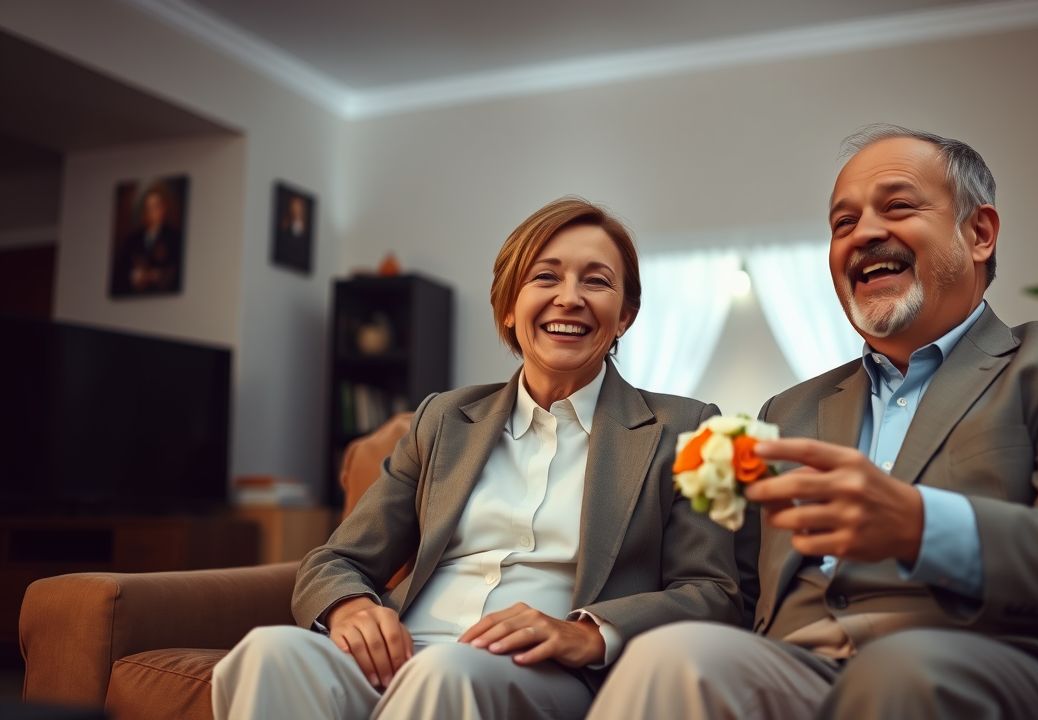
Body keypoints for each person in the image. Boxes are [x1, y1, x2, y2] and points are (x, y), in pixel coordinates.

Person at [587, 125, 1038, 718]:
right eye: (843, 223)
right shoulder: (790, 412)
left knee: (898, 672)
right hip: (802, 669)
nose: (865, 234)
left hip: (1008, 661)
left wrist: (917, 525)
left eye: (898, 206)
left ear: (980, 232)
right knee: (672, 658)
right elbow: (736, 592)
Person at [212, 197, 741, 719]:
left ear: (624, 316)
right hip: (399, 658)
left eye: (596, 281)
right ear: (509, 307)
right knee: (268, 653)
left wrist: (584, 632)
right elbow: (337, 559)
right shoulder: (442, 419)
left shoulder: (684, 429)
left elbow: (711, 591)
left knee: (446, 672)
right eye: (545, 277)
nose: (569, 298)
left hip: (541, 674)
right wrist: (349, 605)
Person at [110, 186, 183, 295]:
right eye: (147, 208)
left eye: (155, 207)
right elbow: (121, 271)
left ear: (163, 209)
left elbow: (175, 271)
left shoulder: (173, 237)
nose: (151, 212)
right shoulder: (133, 239)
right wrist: (134, 276)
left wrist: (155, 275)